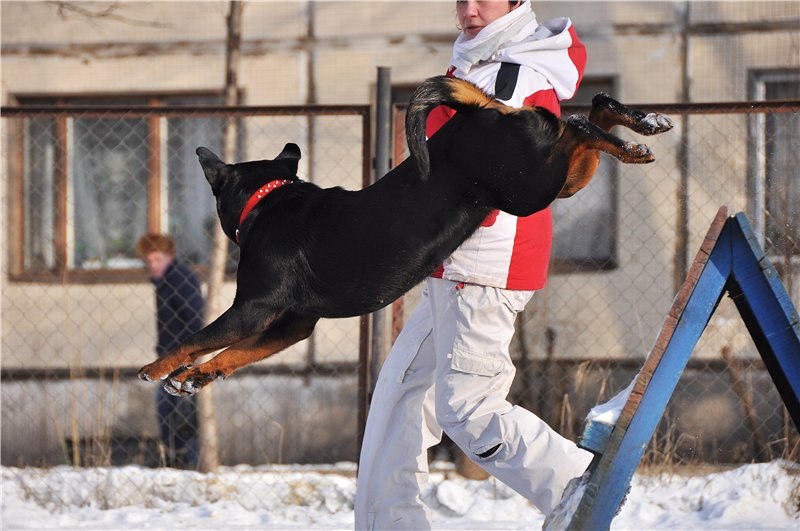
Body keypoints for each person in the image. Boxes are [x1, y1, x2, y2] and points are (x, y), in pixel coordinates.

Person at [354, 1, 593, 528]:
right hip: (455, 262)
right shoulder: (481, 65)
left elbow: (484, 178)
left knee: (468, 408)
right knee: (400, 396)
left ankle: (579, 485)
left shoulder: (509, 75)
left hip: (485, 263)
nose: (468, 9)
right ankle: (387, 522)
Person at [136, 234, 205, 469]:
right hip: (169, 355)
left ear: (169, 257)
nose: (152, 264)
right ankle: (177, 459)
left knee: (180, 412)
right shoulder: (165, 281)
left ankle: (188, 461)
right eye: (149, 260)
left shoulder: (180, 280)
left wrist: (187, 357)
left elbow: (195, 318)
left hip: (182, 357)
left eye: (157, 259)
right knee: (170, 412)